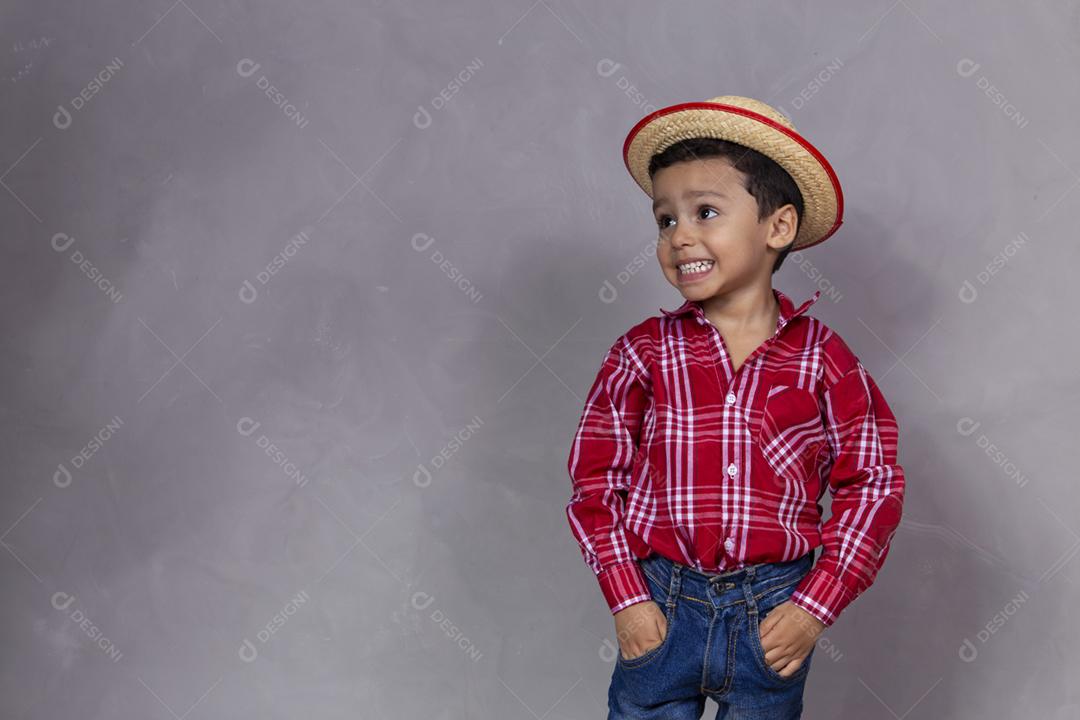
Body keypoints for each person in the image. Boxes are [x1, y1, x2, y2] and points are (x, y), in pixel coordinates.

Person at [565, 95, 906, 719]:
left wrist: (813, 606)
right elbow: (594, 482)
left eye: (705, 212)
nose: (679, 236)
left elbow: (874, 483)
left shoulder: (825, 360)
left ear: (776, 227)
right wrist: (627, 598)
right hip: (660, 604)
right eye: (665, 220)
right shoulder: (642, 353)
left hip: (772, 615)